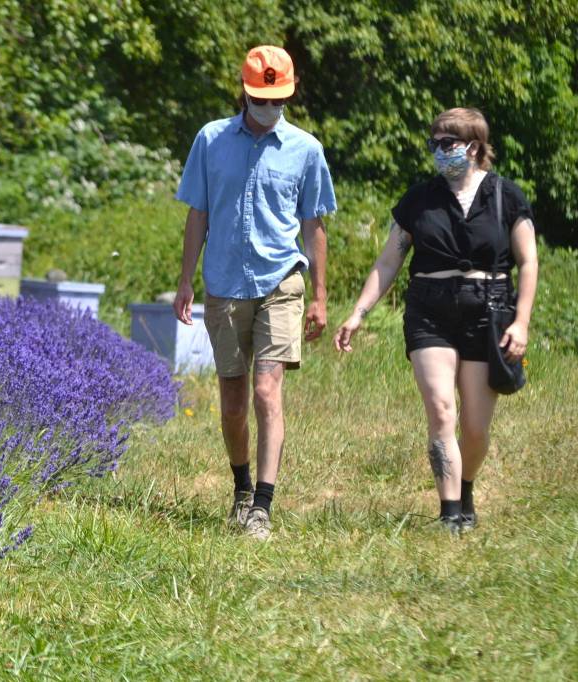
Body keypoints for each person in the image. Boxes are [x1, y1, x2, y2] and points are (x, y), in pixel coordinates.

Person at [333, 107, 538, 532]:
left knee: (476, 428)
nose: (439, 151)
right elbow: (389, 260)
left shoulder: (507, 196)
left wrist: (522, 322)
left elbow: (528, 261)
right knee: (442, 411)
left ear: (475, 146)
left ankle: (465, 489)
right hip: (430, 309)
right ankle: (449, 515)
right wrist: (358, 313)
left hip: (490, 310)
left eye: (449, 143)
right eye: (435, 143)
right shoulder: (419, 199)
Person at [173, 45, 336, 540]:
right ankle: (241, 488)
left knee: (267, 390)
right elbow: (197, 213)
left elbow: (314, 226)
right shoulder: (210, 139)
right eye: (263, 99)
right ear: (244, 92)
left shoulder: (306, 150)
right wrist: (185, 280)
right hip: (223, 285)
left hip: (280, 281)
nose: (271, 109)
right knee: (233, 403)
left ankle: (262, 506)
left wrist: (320, 295)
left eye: (280, 100)